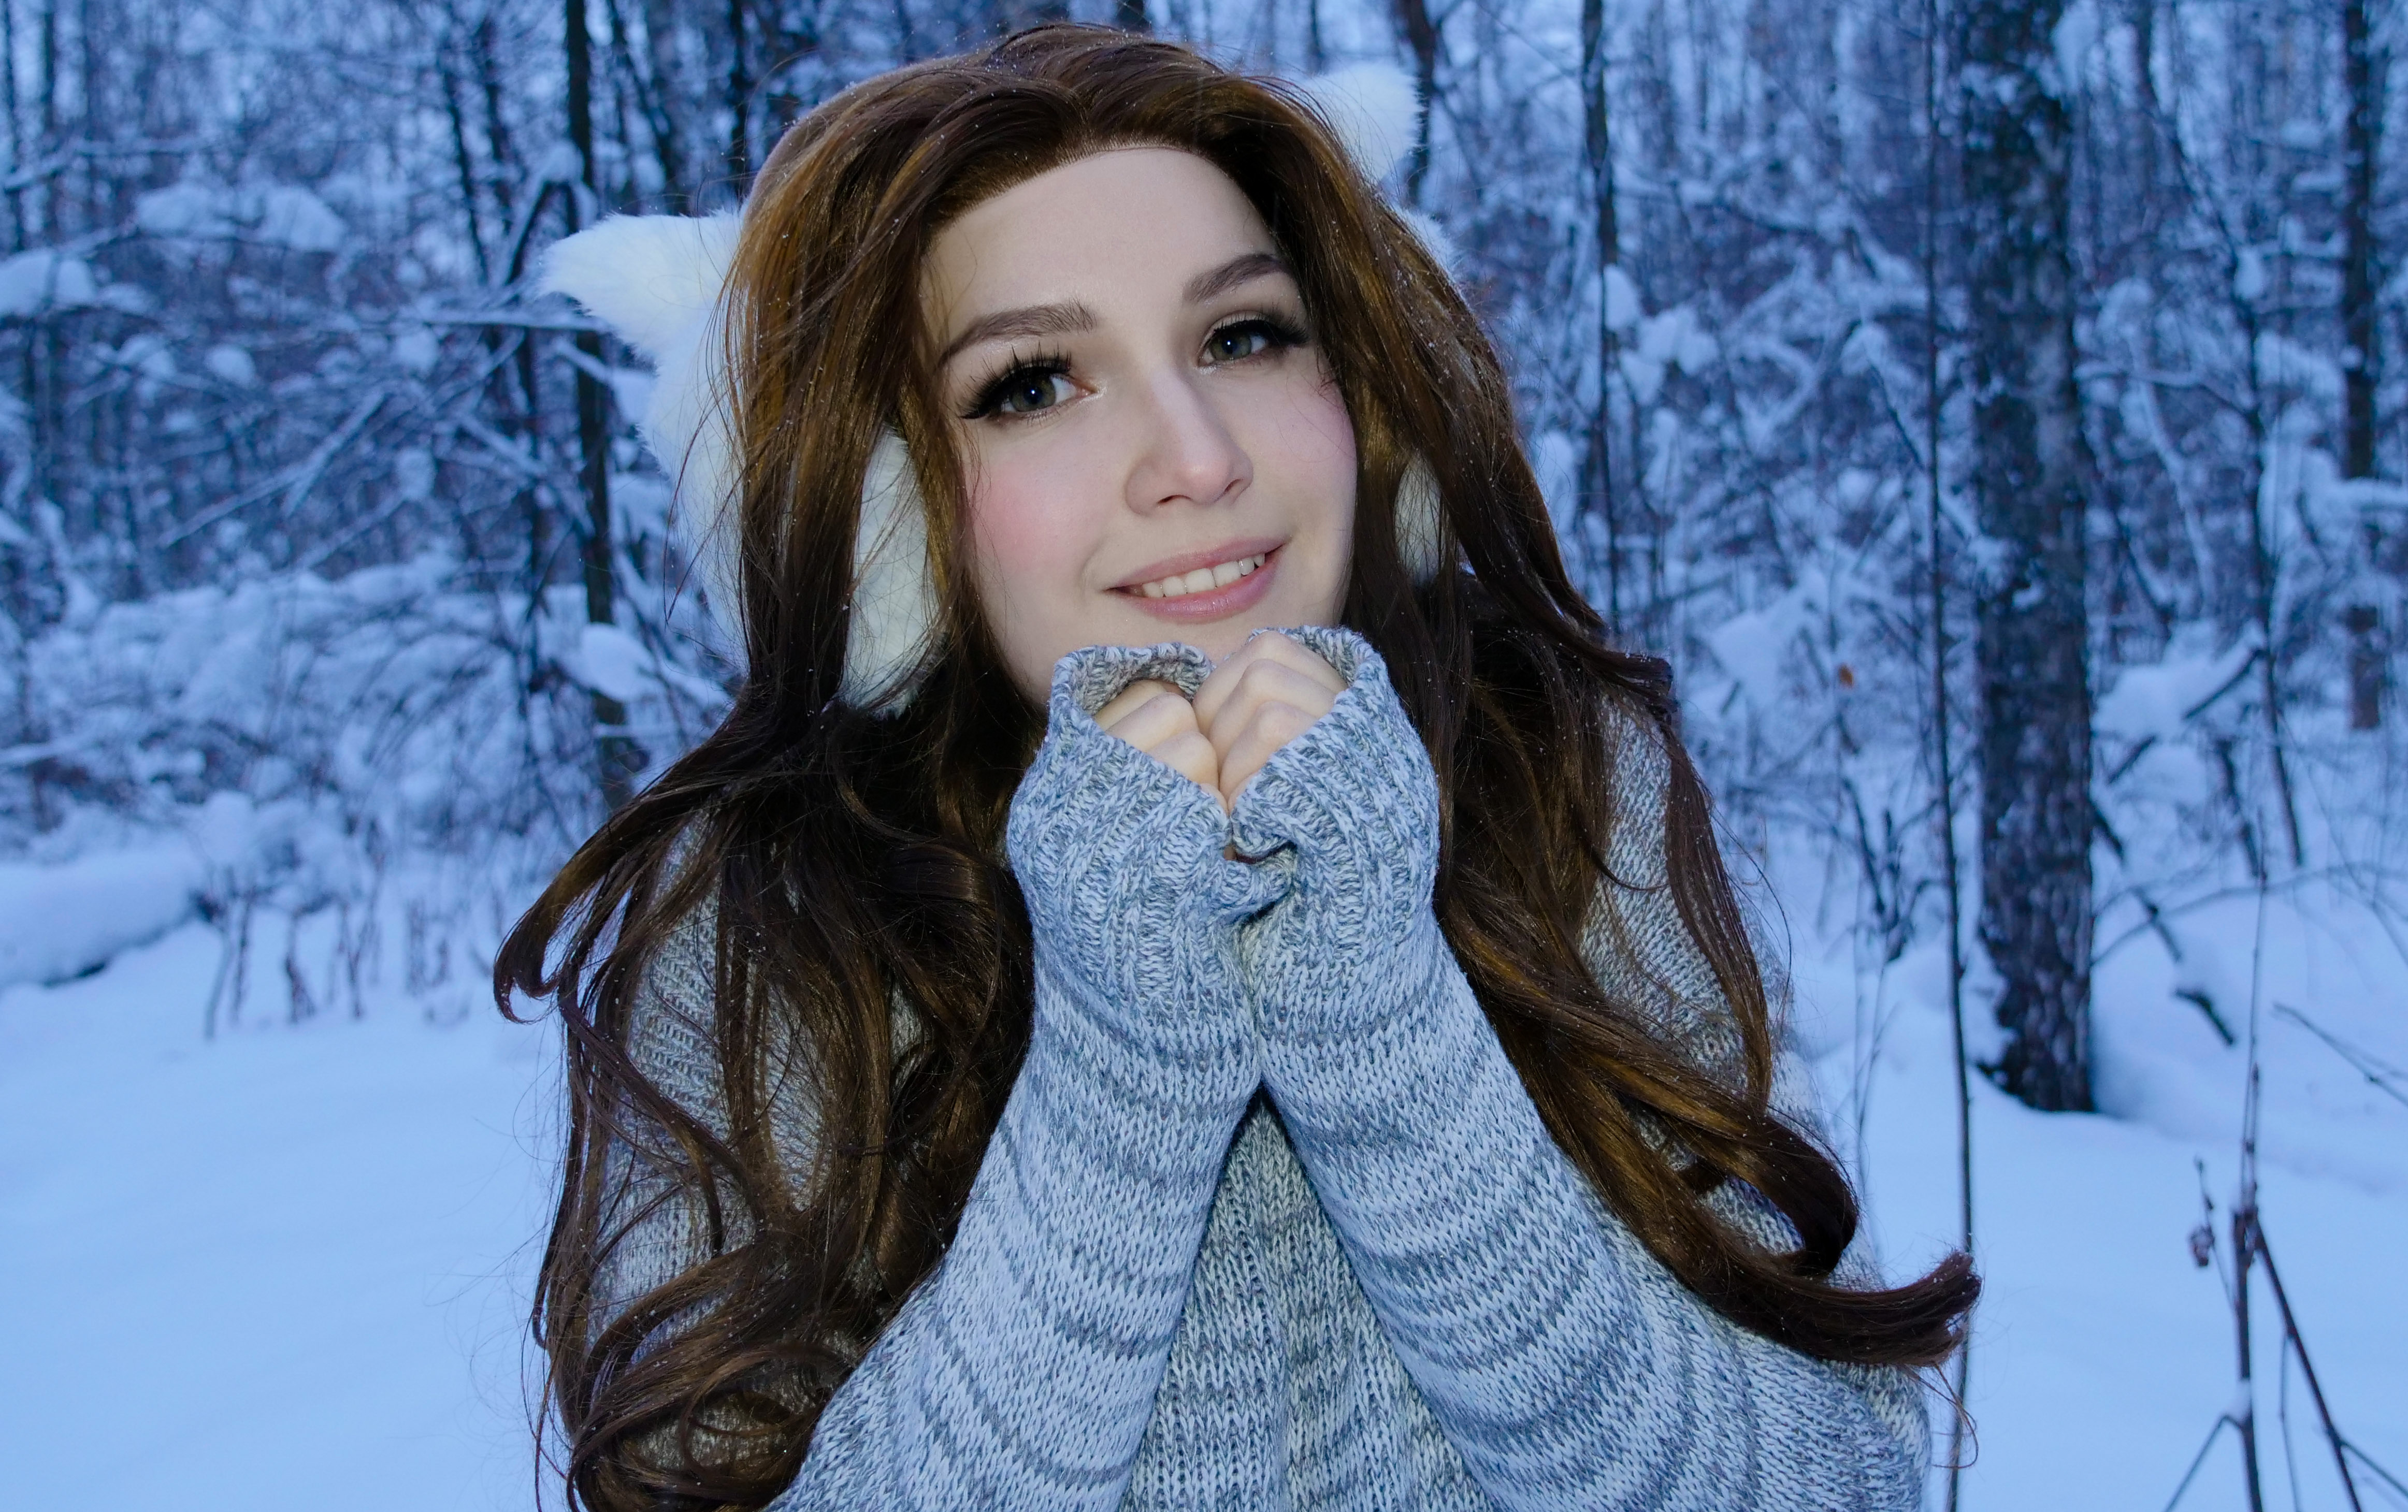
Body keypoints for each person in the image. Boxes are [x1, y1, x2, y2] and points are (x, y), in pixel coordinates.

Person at [501, 23, 1977, 1511]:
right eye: (1033, 383)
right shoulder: (763, 923)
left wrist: (1383, 1021)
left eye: (1244, 336)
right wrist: (1121, 1080)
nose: (1199, 457)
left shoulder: (1559, 784)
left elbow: (1835, 1481)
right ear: (882, 519)